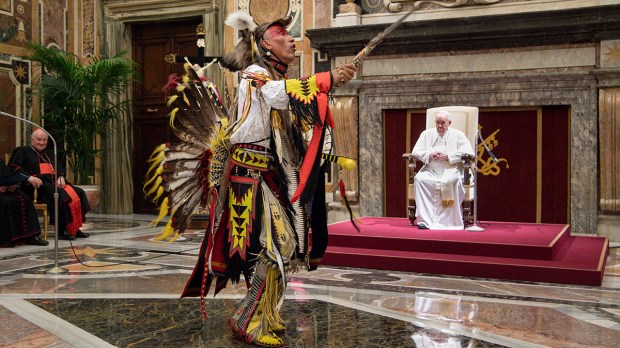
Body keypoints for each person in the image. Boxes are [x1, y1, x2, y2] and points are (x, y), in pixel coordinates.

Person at [181, 12, 356, 347]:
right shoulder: (256, 73)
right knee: (277, 247)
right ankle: (250, 319)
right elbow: (279, 94)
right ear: (264, 43)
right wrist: (327, 78)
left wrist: (332, 81)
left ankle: (258, 316)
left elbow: (293, 102)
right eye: (282, 34)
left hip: (266, 173)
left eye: (290, 35)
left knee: (277, 249)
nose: (291, 39)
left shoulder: (274, 74)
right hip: (247, 175)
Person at [9, 129, 90, 240]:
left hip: (52, 184)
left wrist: (60, 176)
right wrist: (28, 177)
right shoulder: (22, 151)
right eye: (39, 139)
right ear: (32, 139)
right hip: (35, 187)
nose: (42, 142)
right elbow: (14, 167)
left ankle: (74, 228)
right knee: (59, 194)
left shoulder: (50, 153)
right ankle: (61, 230)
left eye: (44, 140)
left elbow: (59, 169)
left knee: (78, 191)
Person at [411, 110, 474, 230]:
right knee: (420, 179)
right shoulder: (426, 134)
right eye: (437, 122)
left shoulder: (458, 135)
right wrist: (429, 155)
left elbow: (468, 153)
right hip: (431, 170)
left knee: (454, 180)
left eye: (443, 123)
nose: (439, 126)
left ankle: (451, 222)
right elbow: (416, 152)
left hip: (453, 170)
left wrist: (448, 156)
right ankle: (424, 220)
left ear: (449, 123)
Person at [0, 159, 48, 247]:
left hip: (5, 189)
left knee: (25, 199)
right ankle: (7, 238)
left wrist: (14, 185)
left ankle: (31, 236)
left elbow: (7, 175)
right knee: (6, 201)